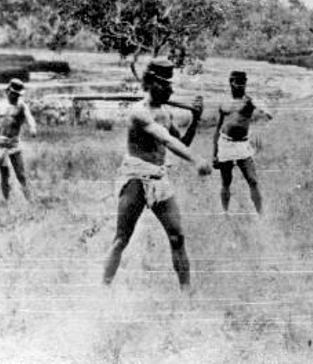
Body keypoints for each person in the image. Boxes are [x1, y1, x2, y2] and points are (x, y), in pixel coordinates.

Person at [103, 59, 211, 290]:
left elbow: (181, 142)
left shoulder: (164, 112)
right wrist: (196, 160)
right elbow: (167, 140)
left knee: (177, 237)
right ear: (151, 83)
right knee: (122, 238)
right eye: (166, 85)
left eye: (171, 86)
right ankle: (102, 290)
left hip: (159, 178)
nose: (171, 90)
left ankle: (187, 294)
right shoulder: (139, 114)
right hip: (135, 176)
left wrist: (195, 119)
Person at [213, 70, 271, 213]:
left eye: (243, 83)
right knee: (226, 181)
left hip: (242, 145)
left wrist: (263, 115)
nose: (241, 86)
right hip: (225, 144)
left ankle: (261, 214)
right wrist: (214, 154)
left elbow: (267, 113)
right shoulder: (224, 103)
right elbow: (217, 129)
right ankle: (225, 213)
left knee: (253, 180)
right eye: (238, 82)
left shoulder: (249, 101)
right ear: (231, 83)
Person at [0, 78, 37, 224]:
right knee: (5, 175)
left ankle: (32, 203)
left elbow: (30, 118)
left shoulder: (21, 106)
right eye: (13, 93)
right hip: (0, 144)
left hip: (14, 144)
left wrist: (33, 127)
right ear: (8, 91)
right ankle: (7, 203)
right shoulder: (0, 106)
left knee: (21, 175)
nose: (15, 96)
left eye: (18, 94)